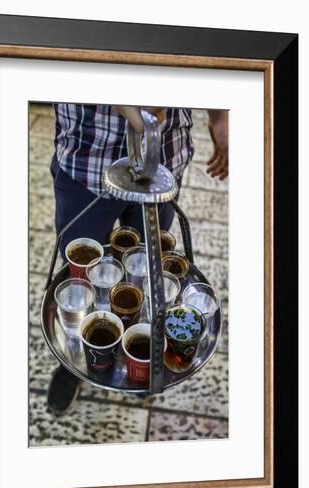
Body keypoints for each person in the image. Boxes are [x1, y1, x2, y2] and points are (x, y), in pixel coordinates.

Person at [47, 104, 228, 415]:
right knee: (79, 274)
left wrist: (219, 117)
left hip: (162, 157)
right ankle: (76, 360)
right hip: (88, 152)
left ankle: (140, 358)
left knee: (147, 270)